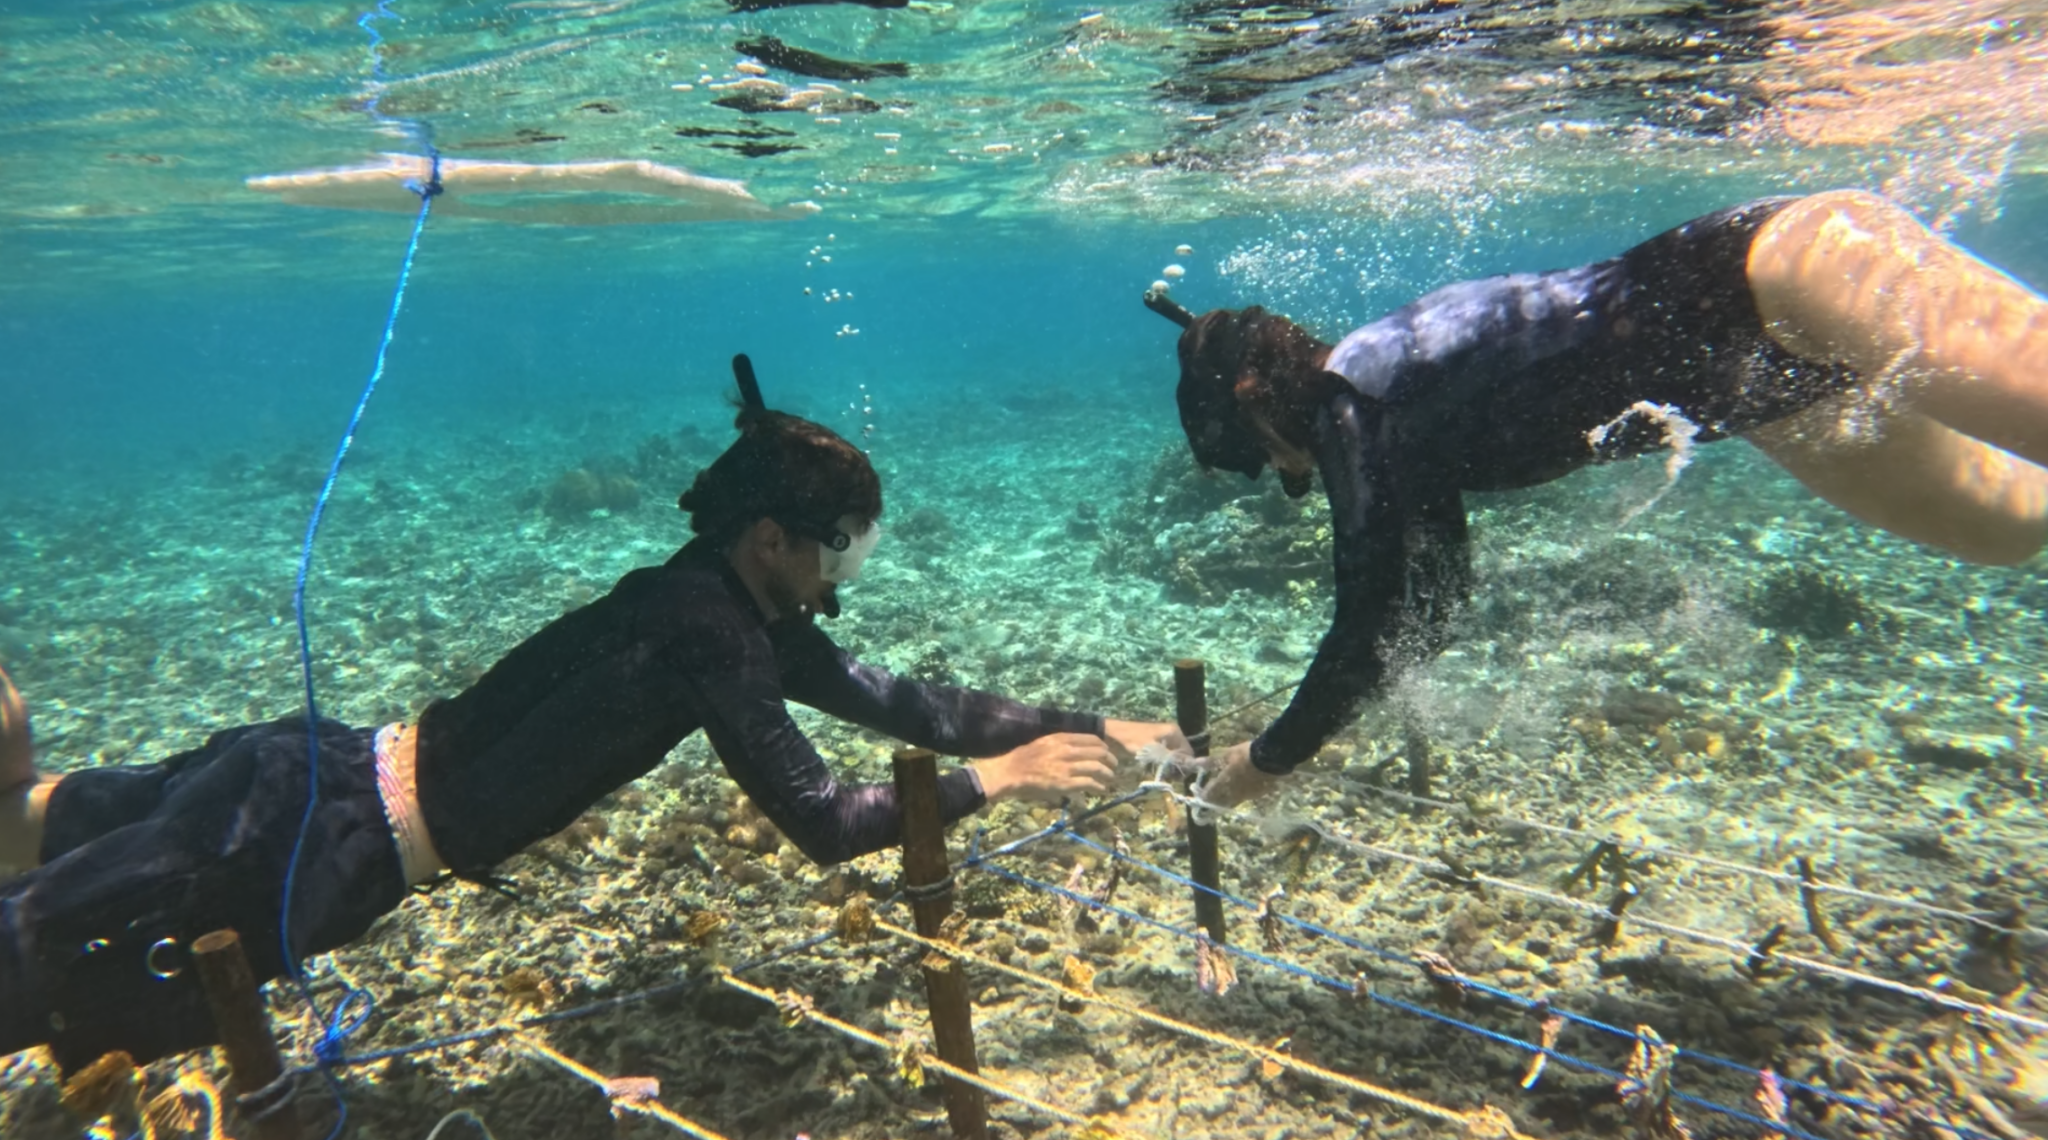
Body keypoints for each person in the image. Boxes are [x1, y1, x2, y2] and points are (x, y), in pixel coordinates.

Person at [0, 356, 1174, 1071]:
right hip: (310, 843)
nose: (840, 579)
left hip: (298, 771)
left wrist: (1087, 726)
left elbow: (894, 699)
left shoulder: (713, 595)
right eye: (840, 554)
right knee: (29, 978)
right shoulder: (713, 632)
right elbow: (821, 817)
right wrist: (997, 784)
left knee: (23, 813)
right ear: (771, 539)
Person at [1143, 189, 2048, 807]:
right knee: (2010, 527)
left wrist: (1266, 761)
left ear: (1256, 402)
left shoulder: (1356, 402)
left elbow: (1367, 613)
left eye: (1265, 462)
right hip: (1756, 388)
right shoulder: (1388, 418)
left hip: (1789, 271)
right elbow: (1434, 599)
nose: (1290, 480)